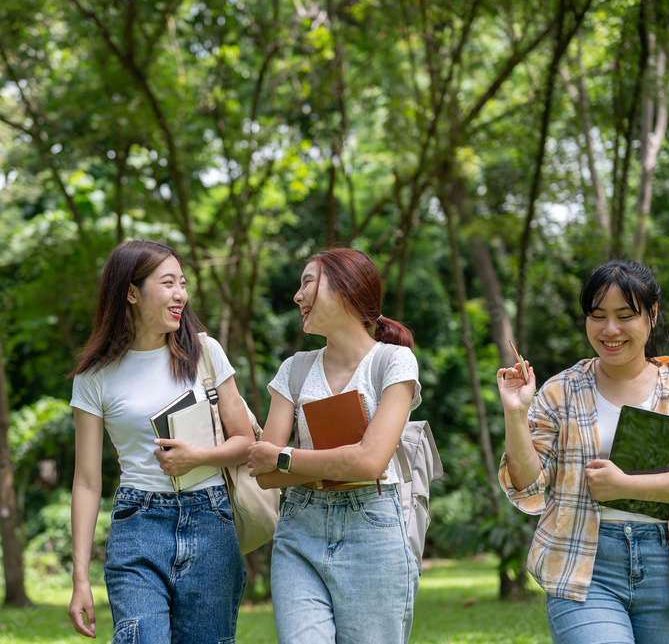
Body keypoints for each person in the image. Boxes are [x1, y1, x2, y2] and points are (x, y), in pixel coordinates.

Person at [496, 259, 669, 644]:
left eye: (625, 316)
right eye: (598, 316)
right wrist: (516, 413)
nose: (610, 330)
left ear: (651, 316)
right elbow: (528, 485)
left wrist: (626, 485)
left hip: (668, 566)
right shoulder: (561, 392)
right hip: (583, 564)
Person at [67, 239, 251, 643]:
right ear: (131, 293)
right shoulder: (95, 376)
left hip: (211, 521)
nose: (180, 294)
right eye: (168, 283)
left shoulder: (205, 353)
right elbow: (86, 481)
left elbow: (247, 443)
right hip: (138, 524)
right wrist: (80, 578)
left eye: (182, 283)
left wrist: (198, 456)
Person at [247, 247, 421, 644]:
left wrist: (286, 456)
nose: (297, 295)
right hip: (300, 529)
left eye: (308, 281)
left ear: (345, 288)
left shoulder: (395, 362)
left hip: (373, 529)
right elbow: (265, 473)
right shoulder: (295, 369)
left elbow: (369, 462)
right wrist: (293, 461)